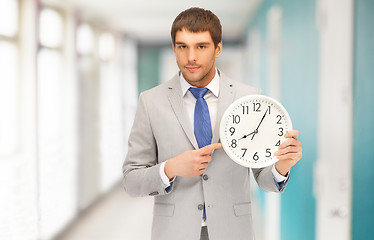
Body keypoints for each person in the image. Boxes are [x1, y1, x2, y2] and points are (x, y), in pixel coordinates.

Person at [122, 7, 302, 240]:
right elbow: (131, 181)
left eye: (201, 46)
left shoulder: (248, 98)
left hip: (233, 232)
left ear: (218, 48)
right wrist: (171, 168)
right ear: (174, 48)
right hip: (173, 233)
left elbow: (264, 179)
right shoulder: (151, 102)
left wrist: (282, 166)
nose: (191, 57)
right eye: (182, 46)